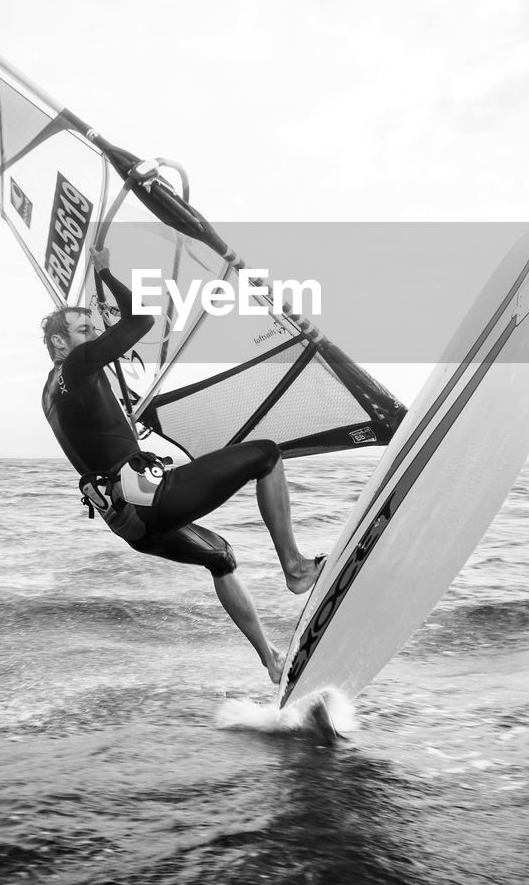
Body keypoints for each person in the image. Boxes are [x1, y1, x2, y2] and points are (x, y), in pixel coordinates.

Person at [41, 248, 324, 684]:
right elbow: (142, 322)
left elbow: (94, 432)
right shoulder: (77, 365)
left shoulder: (49, 396)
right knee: (265, 453)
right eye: (84, 330)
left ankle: (270, 659)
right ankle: (296, 568)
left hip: (127, 523)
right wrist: (105, 272)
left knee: (221, 557)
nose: (94, 337)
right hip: (152, 500)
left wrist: (120, 422)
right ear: (60, 344)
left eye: (94, 329)